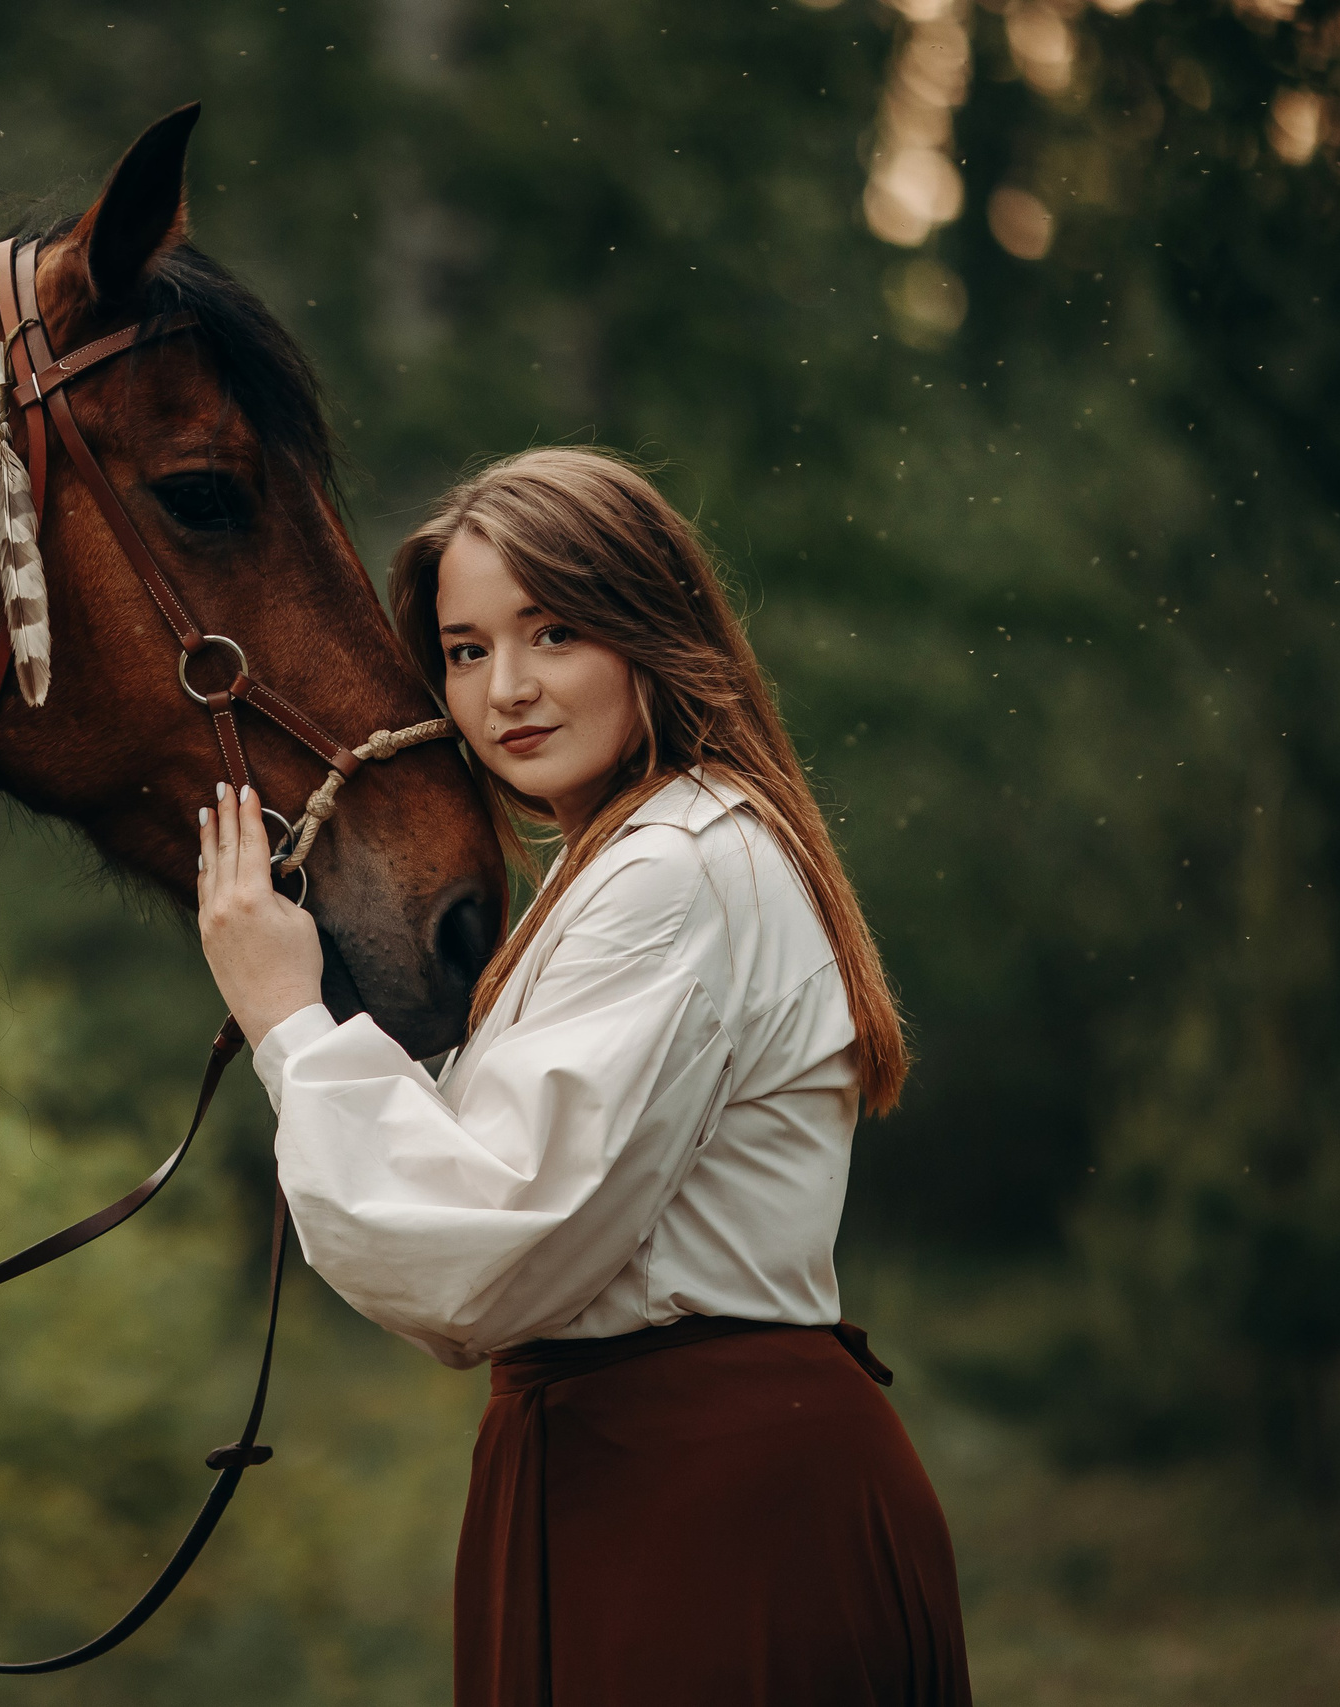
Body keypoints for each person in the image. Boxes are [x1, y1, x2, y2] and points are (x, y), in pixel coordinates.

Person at [193, 448, 971, 1705]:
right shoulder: (620, 862)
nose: (505, 689)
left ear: (650, 633)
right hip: (638, 1471)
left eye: (553, 631)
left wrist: (284, 1015)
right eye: (462, 649)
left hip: (702, 1494)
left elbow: (484, 1243)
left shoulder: (675, 868)